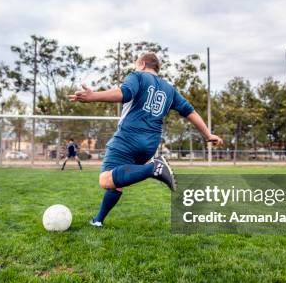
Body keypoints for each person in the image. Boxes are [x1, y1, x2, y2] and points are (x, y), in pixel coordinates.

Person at [69, 53, 223, 227]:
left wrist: (93, 96)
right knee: (118, 179)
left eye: (136, 65)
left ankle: (154, 168)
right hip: (150, 144)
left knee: (106, 179)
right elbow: (190, 112)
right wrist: (208, 135)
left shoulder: (137, 76)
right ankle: (98, 220)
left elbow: (125, 93)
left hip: (127, 138)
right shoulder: (170, 89)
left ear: (142, 64)